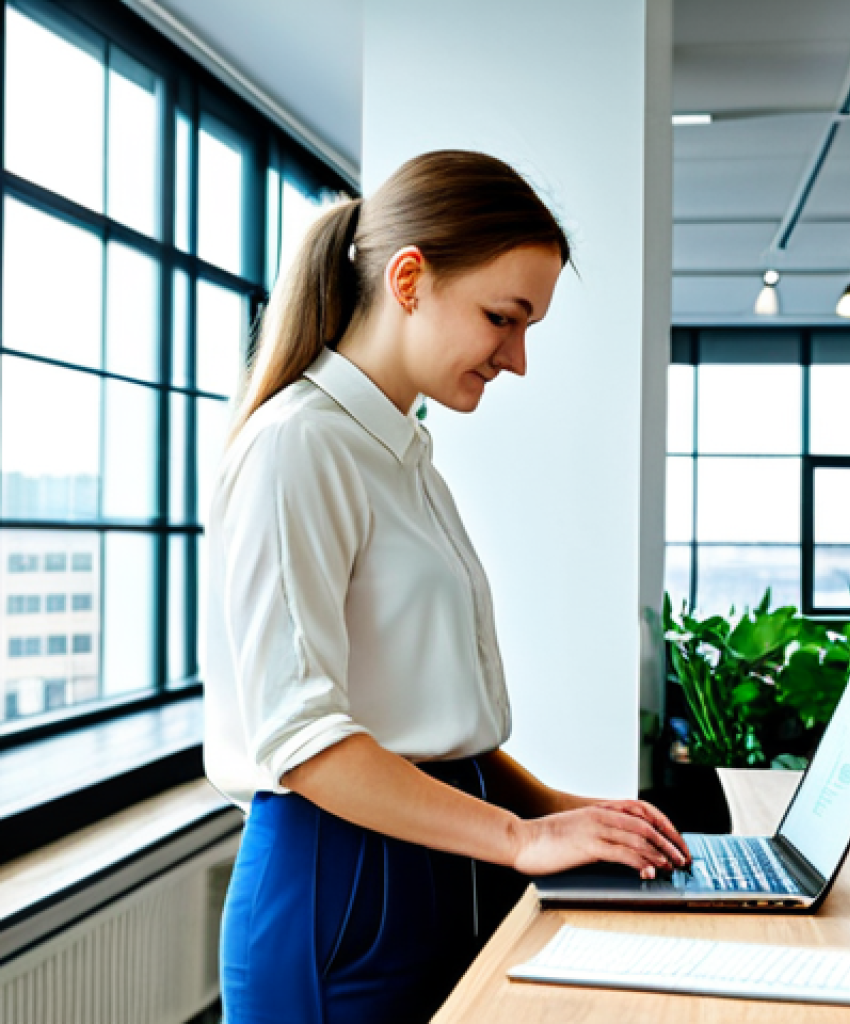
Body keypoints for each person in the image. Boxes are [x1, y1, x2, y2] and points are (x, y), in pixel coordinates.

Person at [205, 149, 690, 1024]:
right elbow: (306, 742)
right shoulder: (300, 446)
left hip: (439, 857)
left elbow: (425, 720)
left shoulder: (405, 455)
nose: (519, 357)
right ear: (409, 279)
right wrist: (523, 836)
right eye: (504, 317)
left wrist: (570, 814)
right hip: (343, 885)